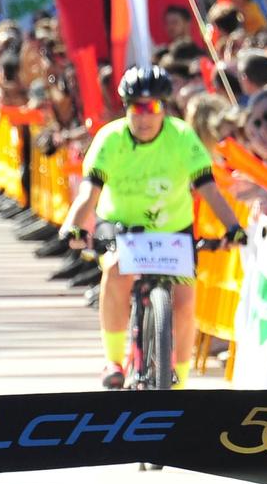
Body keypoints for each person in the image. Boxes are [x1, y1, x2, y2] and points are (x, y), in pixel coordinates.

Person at [60, 65, 246, 389]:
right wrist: (73, 226)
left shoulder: (182, 137)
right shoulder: (110, 139)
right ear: (126, 108)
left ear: (164, 108)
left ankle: (181, 383)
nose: (145, 118)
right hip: (121, 225)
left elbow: (210, 190)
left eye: (153, 108)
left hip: (172, 228)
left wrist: (233, 227)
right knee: (116, 270)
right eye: (137, 108)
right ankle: (113, 360)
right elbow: (89, 193)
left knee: (185, 302)